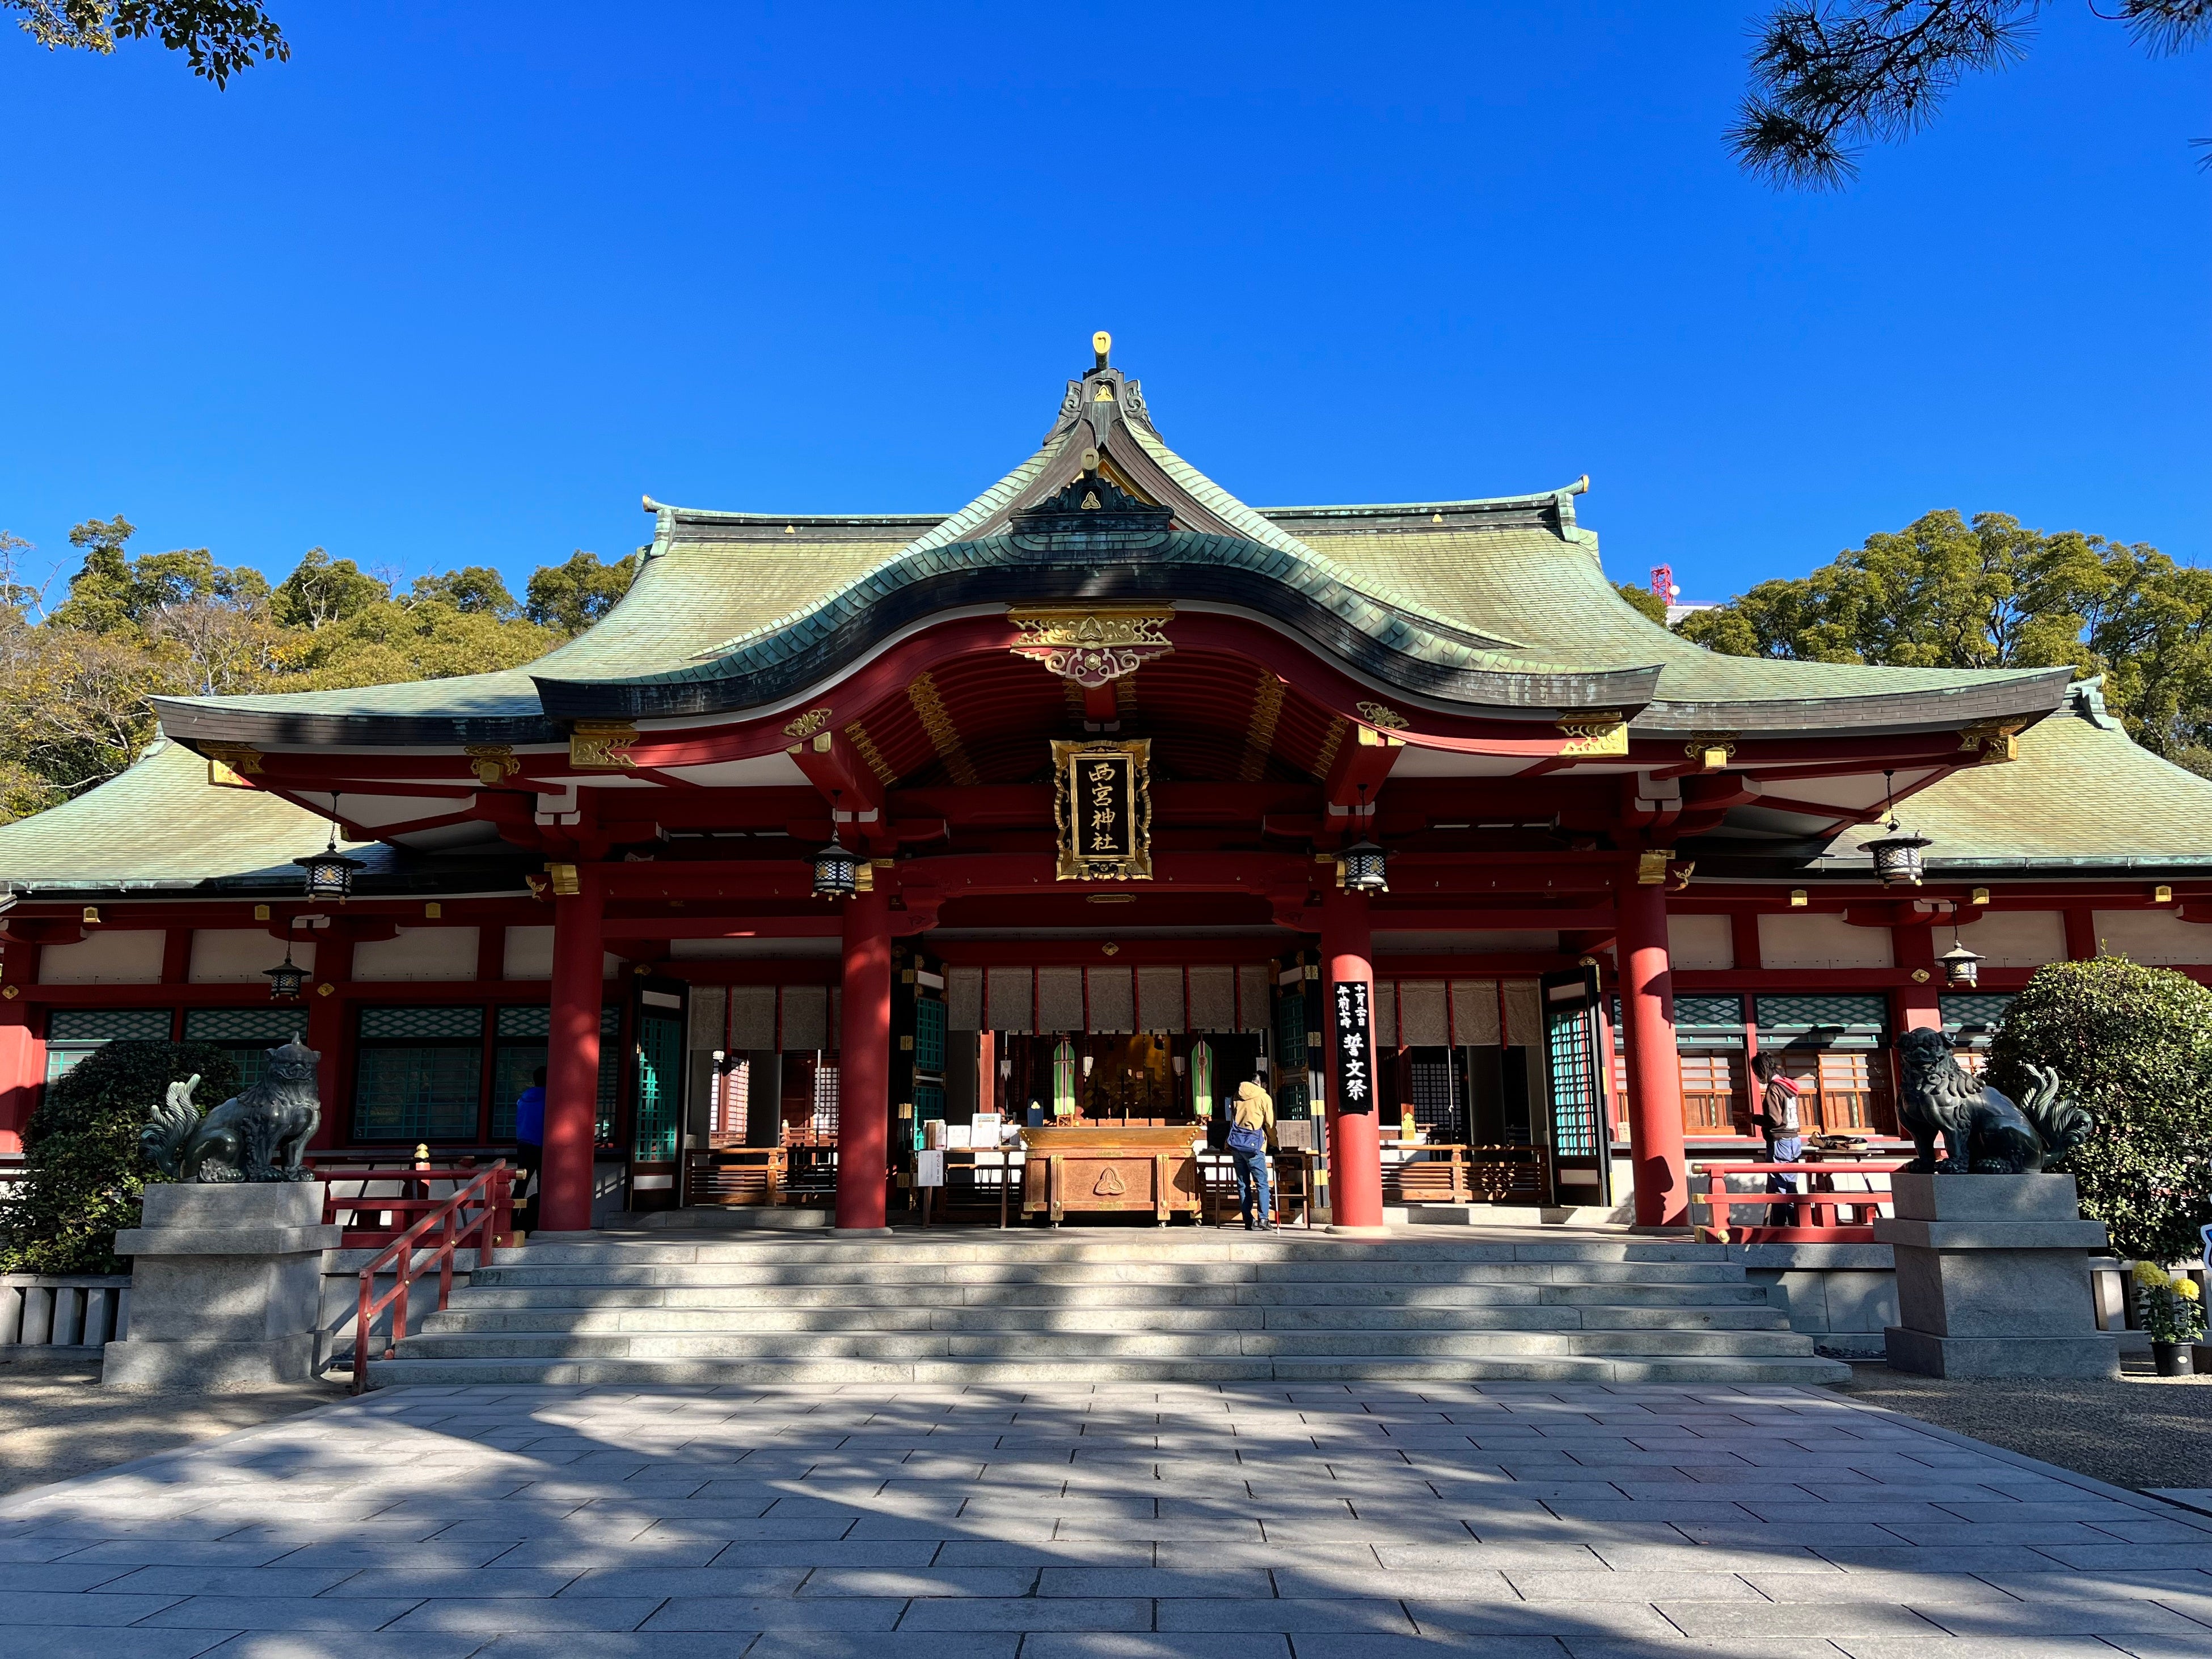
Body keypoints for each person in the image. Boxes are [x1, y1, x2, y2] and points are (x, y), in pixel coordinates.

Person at [1751, 1053, 1803, 1226]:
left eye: (1756, 1073)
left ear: (1762, 1070)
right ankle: (1796, 1221)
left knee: (1778, 1183)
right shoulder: (1789, 1087)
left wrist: (1754, 1119)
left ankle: (1779, 1225)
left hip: (1780, 1140)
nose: (1757, 1077)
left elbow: (1775, 1120)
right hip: (1794, 1138)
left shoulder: (1774, 1088)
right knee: (1790, 1182)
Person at [1226, 1079, 1276, 1231]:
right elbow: (1270, 1124)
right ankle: (1263, 1218)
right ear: (1263, 1084)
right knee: (1262, 1183)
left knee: (1243, 1184)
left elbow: (1232, 1120)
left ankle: (1248, 1220)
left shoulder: (1237, 1096)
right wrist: (1274, 1143)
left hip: (1237, 1144)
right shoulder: (1264, 1097)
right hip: (1255, 1144)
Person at [513, 1066, 547, 1232]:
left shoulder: (523, 1098)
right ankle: (540, 1221)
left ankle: (511, 1221)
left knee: (520, 1185)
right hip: (541, 1145)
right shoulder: (549, 1097)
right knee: (544, 1185)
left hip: (523, 1145)